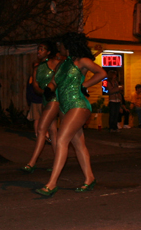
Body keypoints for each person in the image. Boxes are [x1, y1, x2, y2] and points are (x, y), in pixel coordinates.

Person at [35, 32, 106, 197]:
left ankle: (52, 184)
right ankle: (89, 178)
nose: (59, 47)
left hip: (78, 105)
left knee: (61, 140)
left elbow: (102, 73)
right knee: (79, 145)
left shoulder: (82, 61)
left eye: (62, 44)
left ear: (69, 45)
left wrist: (84, 85)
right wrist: (48, 91)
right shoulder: (62, 64)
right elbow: (54, 82)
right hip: (64, 106)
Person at [21, 40, 63, 173]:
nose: (39, 51)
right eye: (38, 49)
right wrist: (43, 92)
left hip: (54, 100)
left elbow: (61, 81)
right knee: (53, 131)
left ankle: (32, 162)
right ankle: (58, 162)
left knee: (41, 129)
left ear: (48, 52)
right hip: (45, 99)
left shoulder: (55, 64)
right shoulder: (37, 67)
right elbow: (35, 86)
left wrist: (52, 91)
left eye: (42, 49)